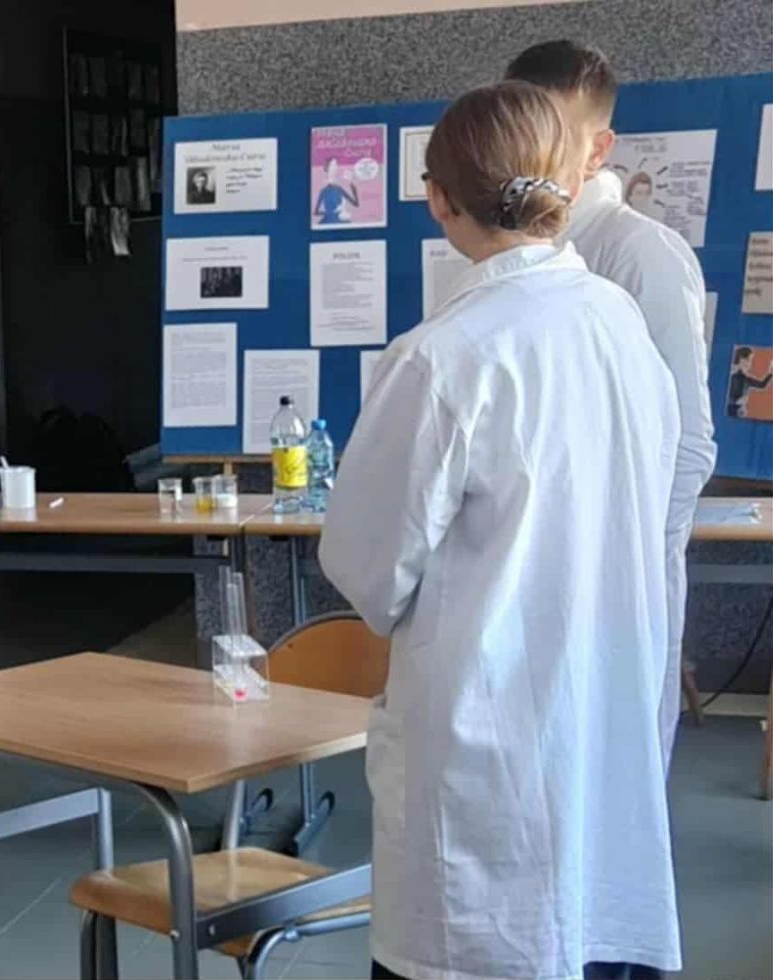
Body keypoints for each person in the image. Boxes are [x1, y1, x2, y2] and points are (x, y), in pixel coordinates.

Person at [320, 81, 684, 980]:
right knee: (592, 933)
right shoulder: (619, 324)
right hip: (603, 715)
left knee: (487, 939)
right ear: (572, 178)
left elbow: (368, 569)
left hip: (487, 744)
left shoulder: (443, 356)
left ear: (438, 199)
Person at [507, 40, 715, 769]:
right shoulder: (505, 249)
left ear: (599, 149)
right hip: (529, 569)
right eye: (520, 130)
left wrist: (627, 561)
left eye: (555, 135)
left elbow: (690, 443)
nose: (533, 155)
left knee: (614, 772)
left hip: (615, 581)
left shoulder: (640, 253)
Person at [728, 345, 773, 418]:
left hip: (739, 412)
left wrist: (770, 373)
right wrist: (736, 401)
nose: (750, 363)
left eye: (751, 360)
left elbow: (762, 385)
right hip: (729, 412)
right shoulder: (731, 375)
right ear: (741, 360)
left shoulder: (746, 378)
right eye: (749, 360)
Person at [312, 157, 359, 224]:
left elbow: (356, 204)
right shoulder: (324, 190)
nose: (336, 167)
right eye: (334, 165)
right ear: (328, 167)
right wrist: (332, 212)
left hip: (340, 220)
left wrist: (351, 182)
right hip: (329, 221)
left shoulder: (339, 188)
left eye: (336, 165)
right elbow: (316, 212)